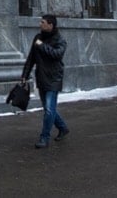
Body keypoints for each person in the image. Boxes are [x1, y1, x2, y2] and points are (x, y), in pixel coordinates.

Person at [20, 14, 69, 149]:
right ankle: (63, 128)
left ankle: (44, 137)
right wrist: (24, 75)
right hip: (41, 78)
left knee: (48, 110)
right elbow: (31, 59)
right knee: (49, 109)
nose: (40, 24)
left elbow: (56, 54)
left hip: (54, 79)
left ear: (50, 25)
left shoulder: (60, 40)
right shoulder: (38, 38)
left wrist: (42, 46)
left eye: (43, 22)